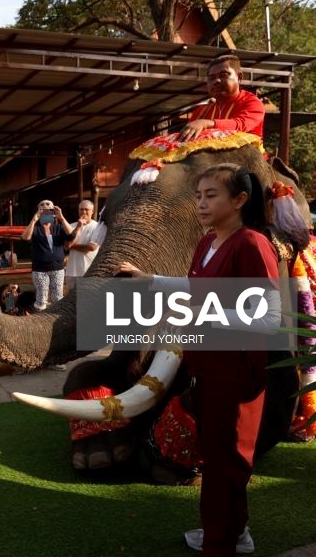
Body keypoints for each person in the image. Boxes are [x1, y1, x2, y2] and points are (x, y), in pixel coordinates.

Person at [117, 163, 278, 556]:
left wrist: (200, 315)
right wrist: (149, 279)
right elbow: (196, 285)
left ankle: (222, 541)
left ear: (239, 200)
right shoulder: (208, 243)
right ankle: (229, 532)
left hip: (237, 374)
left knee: (229, 463)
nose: (202, 204)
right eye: (199, 195)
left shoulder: (253, 244)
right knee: (216, 458)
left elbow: (270, 319)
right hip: (207, 369)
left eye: (211, 195)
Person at [178, 54, 265, 142]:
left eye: (223, 75)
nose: (216, 81)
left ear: (239, 77)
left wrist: (206, 123)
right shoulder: (200, 112)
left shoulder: (252, 103)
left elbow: (241, 125)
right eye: (212, 78)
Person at [20, 199, 75, 311]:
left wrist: (61, 218)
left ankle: (57, 321)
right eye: (42, 210)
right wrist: (34, 219)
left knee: (58, 298)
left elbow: (71, 235)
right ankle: (40, 322)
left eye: (48, 210)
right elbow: (25, 238)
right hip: (40, 270)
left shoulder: (58, 228)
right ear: (39, 212)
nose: (46, 212)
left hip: (57, 268)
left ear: (53, 212)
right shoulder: (35, 230)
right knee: (41, 299)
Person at [65, 200, 101, 291]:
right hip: (72, 271)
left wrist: (72, 246)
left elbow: (91, 247)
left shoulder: (97, 227)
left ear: (92, 212)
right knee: (71, 303)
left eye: (86, 209)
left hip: (89, 271)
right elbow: (65, 246)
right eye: (81, 209)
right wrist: (79, 226)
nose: (84, 212)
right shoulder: (71, 226)